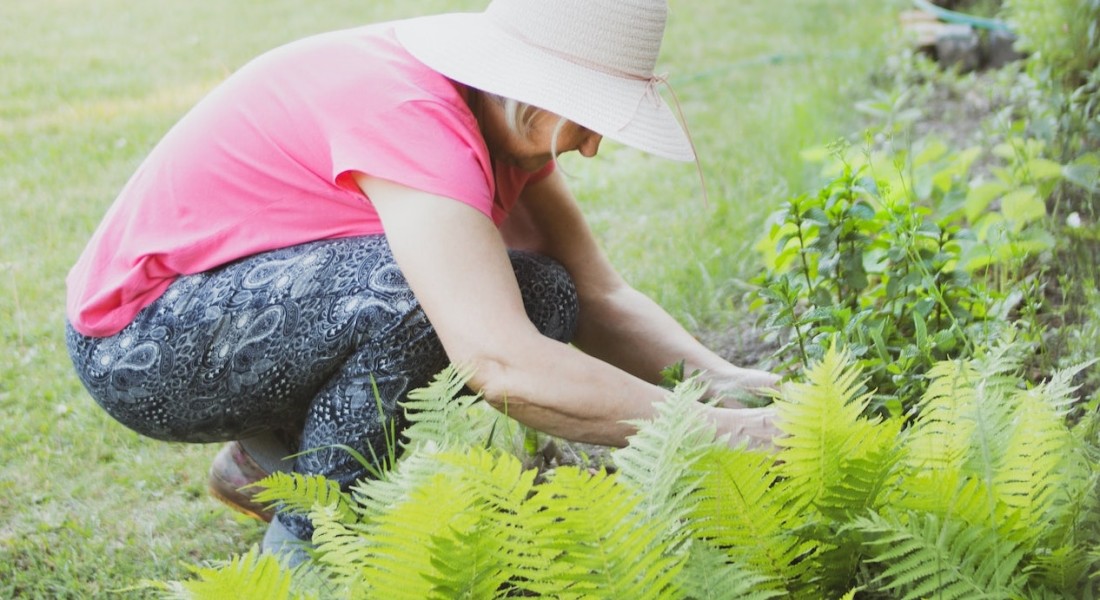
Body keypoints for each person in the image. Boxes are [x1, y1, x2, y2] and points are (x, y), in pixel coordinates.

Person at [64, 0, 781, 561]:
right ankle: (313, 550)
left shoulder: (498, 120)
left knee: (545, 292)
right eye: (592, 116)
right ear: (532, 90)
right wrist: (726, 434)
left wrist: (741, 389)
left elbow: (600, 296)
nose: (593, 146)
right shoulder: (412, 117)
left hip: (232, 313)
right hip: (139, 344)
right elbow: (500, 361)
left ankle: (268, 461)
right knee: (415, 302)